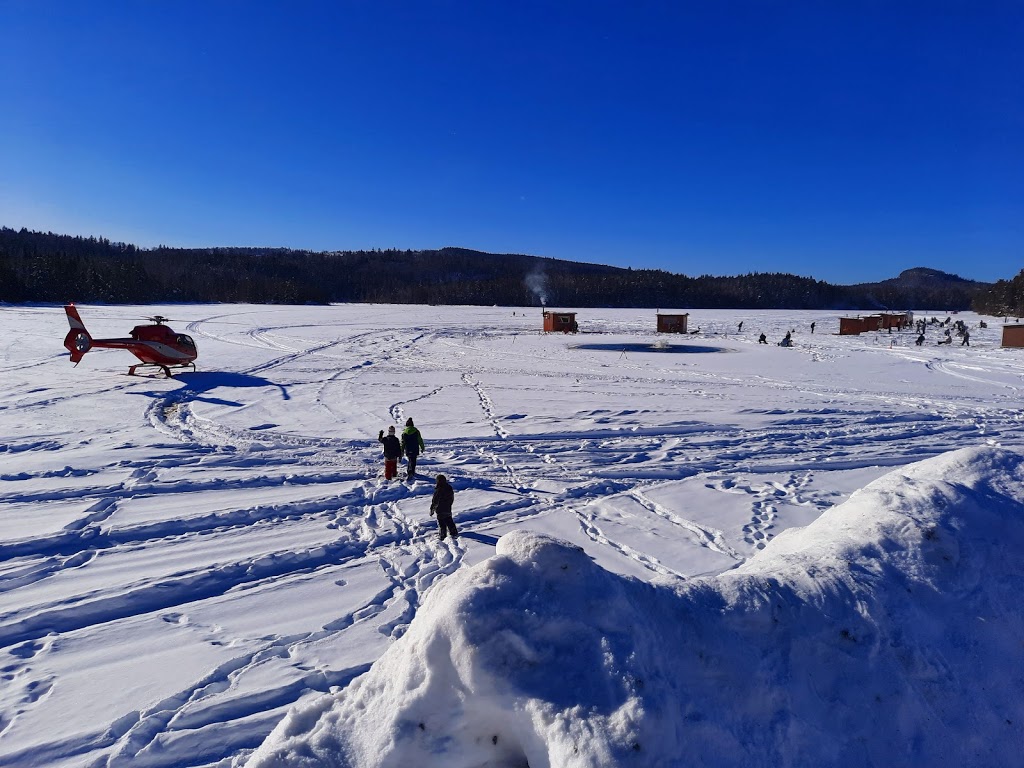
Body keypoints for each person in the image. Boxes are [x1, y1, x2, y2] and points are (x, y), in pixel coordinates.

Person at [429, 474, 458, 541]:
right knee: (449, 520)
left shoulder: (439, 489)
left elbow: (435, 501)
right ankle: (454, 533)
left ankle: (443, 535)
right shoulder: (449, 488)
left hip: (440, 509)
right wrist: (449, 504)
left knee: (442, 524)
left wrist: (432, 509)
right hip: (448, 508)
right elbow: (452, 498)